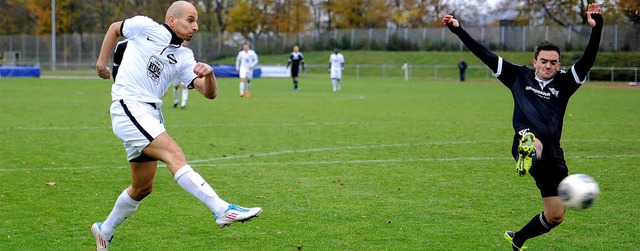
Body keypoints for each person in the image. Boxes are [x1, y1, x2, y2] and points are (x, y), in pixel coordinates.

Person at [92, 1, 262, 250]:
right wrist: (100, 63)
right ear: (172, 20)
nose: (195, 27)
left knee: (142, 188)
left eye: (196, 22)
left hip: (151, 114)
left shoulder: (184, 56)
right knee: (174, 155)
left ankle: (104, 231)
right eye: (190, 20)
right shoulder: (144, 26)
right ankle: (222, 208)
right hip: (129, 106)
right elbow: (114, 28)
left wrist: (210, 75)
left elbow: (209, 93)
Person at [442, 3, 602, 251]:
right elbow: (483, 53)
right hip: (525, 140)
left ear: (559, 64)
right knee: (532, 140)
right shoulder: (518, 76)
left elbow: (588, 60)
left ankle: (518, 239)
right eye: (544, 61)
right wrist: (458, 29)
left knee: (555, 216)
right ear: (535, 61)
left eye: (553, 62)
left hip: (554, 155)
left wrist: (597, 28)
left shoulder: (565, 83)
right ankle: (527, 153)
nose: (548, 66)